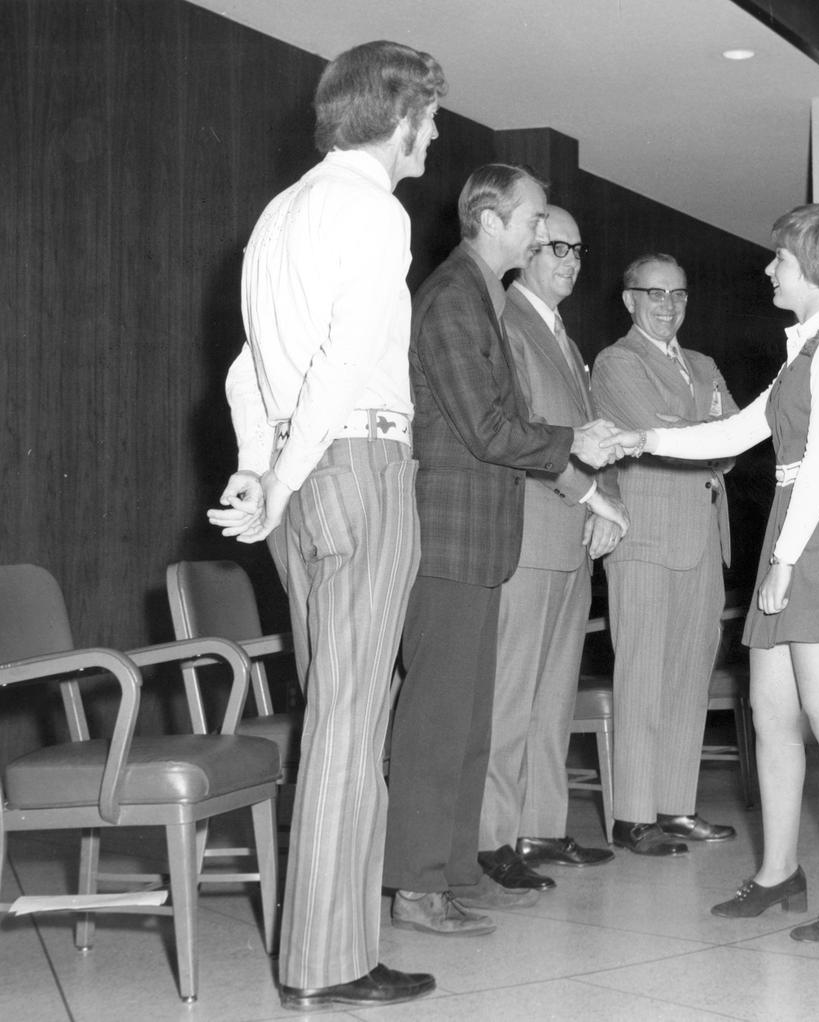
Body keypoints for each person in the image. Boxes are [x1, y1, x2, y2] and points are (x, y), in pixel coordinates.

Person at [207, 41, 446, 1010]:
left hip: (305, 482)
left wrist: (261, 474)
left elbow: (244, 371)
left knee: (340, 709)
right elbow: (346, 361)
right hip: (359, 466)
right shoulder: (372, 210)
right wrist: (284, 468)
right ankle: (322, 962)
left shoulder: (280, 214)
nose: (430, 135)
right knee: (352, 721)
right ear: (400, 118)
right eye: (427, 118)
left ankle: (343, 942)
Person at [612, 203, 819, 942]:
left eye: (780, 258)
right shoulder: (803, 353)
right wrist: (636, 437)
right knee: (772, 716)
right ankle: (779, 871)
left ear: (812, 266)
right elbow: (738, 431)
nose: (769, 268)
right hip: (796, 525)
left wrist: (783, 562)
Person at [383, 166, 628, 935]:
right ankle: (417, 886)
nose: (539, 229)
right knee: (435, 725)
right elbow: (487, 428)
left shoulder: (481, 297)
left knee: (469, 724)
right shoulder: (454, 298)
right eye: (531, 218)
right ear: (490, 221)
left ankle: (457, 873)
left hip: (483, 540)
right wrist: (572, 441)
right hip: (451, 540)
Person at [476, 206, 619, 891]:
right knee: (511, 695)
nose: (569, 259)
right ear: (524, 250)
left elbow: (587, 429)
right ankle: (492, 839)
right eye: (555, 246)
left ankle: (540, 827)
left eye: (577, 248)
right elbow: (523, 430)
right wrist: (592, 496)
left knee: (553, 695)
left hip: (572, 535)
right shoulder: (507, 321)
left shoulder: (560, 331)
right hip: (531, 529)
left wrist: (605, 500)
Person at [591, 254, 739, 856]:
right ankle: (632, 816)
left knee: (689, 677)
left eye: (678, 293)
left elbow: (731, 440)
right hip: (646, 538)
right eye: (653, 292)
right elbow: (660, 435)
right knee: (643, 675)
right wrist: (698, 430)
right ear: (629, 300)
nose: (667, 304)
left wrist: (699, 433)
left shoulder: (703, 363)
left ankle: (676, 807)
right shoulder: (616, 361)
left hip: (703, 535)